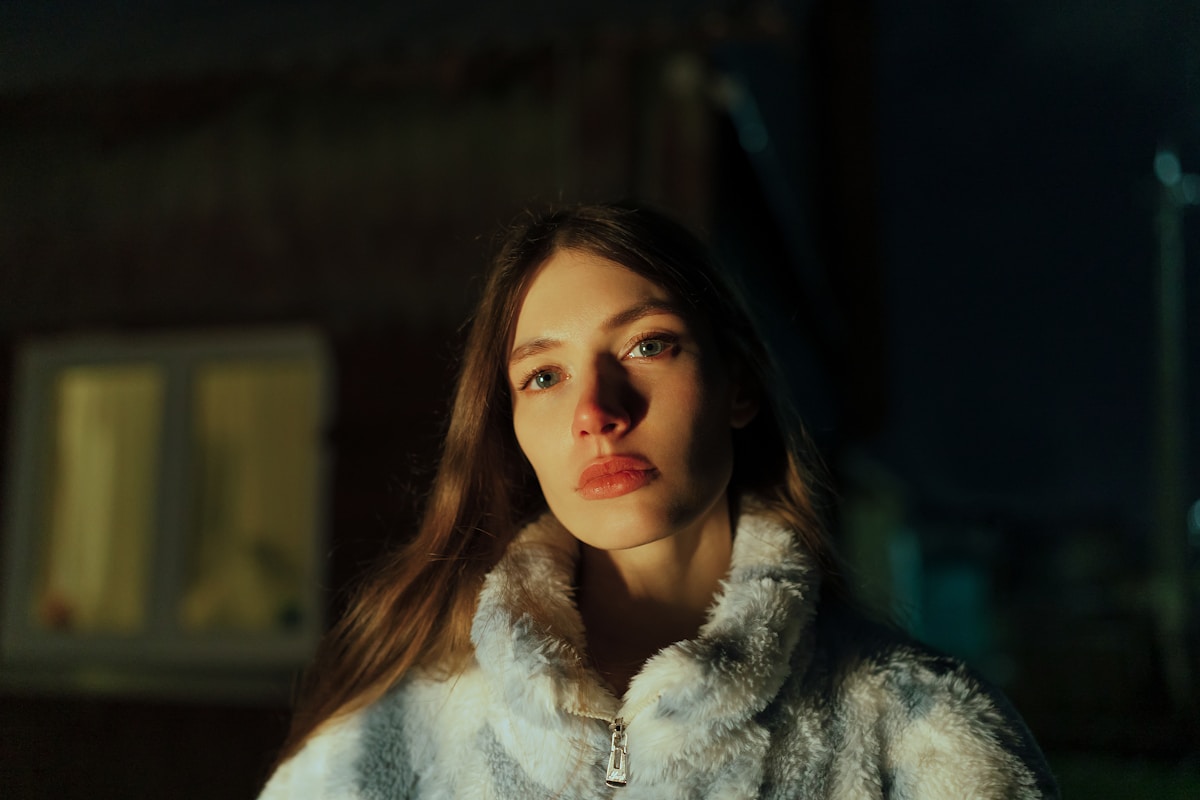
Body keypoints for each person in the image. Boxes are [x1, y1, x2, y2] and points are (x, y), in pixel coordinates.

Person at [259, 202, 1059, 799]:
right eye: (544, 375)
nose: (595, 412)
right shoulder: (392, 749)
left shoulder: (921, 738)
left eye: (648, 345)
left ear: (737, 384)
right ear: (512, 432)